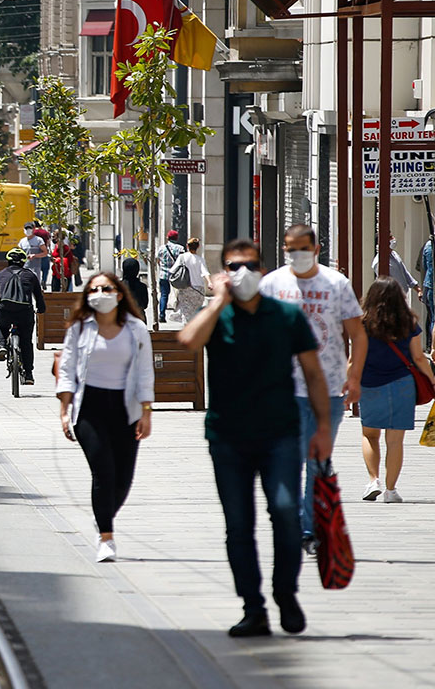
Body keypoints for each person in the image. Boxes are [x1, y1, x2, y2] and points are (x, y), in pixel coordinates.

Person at [178, 238, 332, 638]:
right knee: (238, 525)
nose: (241, 272)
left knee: (284, 511)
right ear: (222, 272)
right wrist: (216, 302)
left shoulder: (285, 315)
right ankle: (253, 608)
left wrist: (321, 430)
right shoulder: (217, 316)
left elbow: (314, 374)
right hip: (227, 437)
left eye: (248, 265)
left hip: (280, 432)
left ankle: (286, 593)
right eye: (232, 265)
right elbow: (188, 341)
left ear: (262, 271)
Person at [258, 224, 365, 550]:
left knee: (317, 463)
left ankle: (309, 530)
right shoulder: (271, 284)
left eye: (303, 248)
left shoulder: (336, 284)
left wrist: (355, 375)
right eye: (291, 248)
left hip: (327, 391)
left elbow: (358, 335)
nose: (296, 254)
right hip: (281, 391)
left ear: (317, 249)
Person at [56, 271, 154, 562]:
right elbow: (67, 367)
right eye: (94, 289)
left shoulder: (136, 329)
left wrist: (147, 411)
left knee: (123, 479)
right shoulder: (79, 328)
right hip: (90, 409)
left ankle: (102, 516)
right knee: (104, 472)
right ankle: (106, 538)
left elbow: (146, 372)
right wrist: (64, 409)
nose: (100, 293)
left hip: (126, 408)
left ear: (119, 294)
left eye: (106, 288)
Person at [356, 276, 432, 504]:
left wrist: (349, 380)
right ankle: (390, 490)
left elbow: (355, 357)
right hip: (402, 385)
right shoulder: (409, 323)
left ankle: (373, 480)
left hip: (370, 383)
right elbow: (418, 357)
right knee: (395, 440)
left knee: (370, 435)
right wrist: (432, 379)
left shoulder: (363, 322)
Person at [0, 249, 46, 382]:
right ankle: (29, 374)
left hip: (5, 310)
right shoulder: (30, 275)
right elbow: (38, 296)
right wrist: (41, 309)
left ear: (8, 261)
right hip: (25, 312)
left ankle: (2, 346)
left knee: (1, 326)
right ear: (23, 262)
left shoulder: (1, 274)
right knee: (26, 342)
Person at [170, 238, 209, 322]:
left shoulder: (182, 257)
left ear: (187, 246)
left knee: (186, 312)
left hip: (185, 288)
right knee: (197, 312)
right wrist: (210, 282)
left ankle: (187, 329)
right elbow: (205, 272)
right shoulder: (200, 259)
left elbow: (172, 270)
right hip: (198, 289)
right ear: (198, 247)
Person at [157, 230, 185, 323]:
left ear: (167, 238)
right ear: (176, 238)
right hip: (177, 275)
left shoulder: (161, 248)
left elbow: (158, 260)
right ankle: (180, 313)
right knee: (180, 294)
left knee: (164, 295)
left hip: (164, 274)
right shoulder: (180, 248)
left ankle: (161, 314)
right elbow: (183, 261)